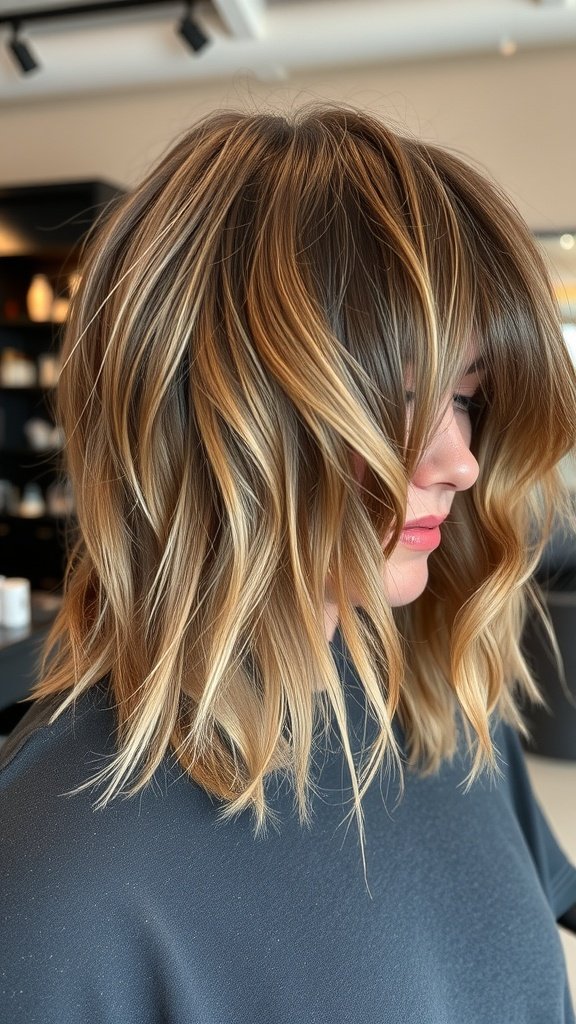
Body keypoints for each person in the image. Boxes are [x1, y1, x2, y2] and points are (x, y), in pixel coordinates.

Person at [1, 102, 576, 1023]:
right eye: (395, 397)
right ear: (219, 423)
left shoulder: (440, 714)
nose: (460, 461)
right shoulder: (52, 879)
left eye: (466, 398)